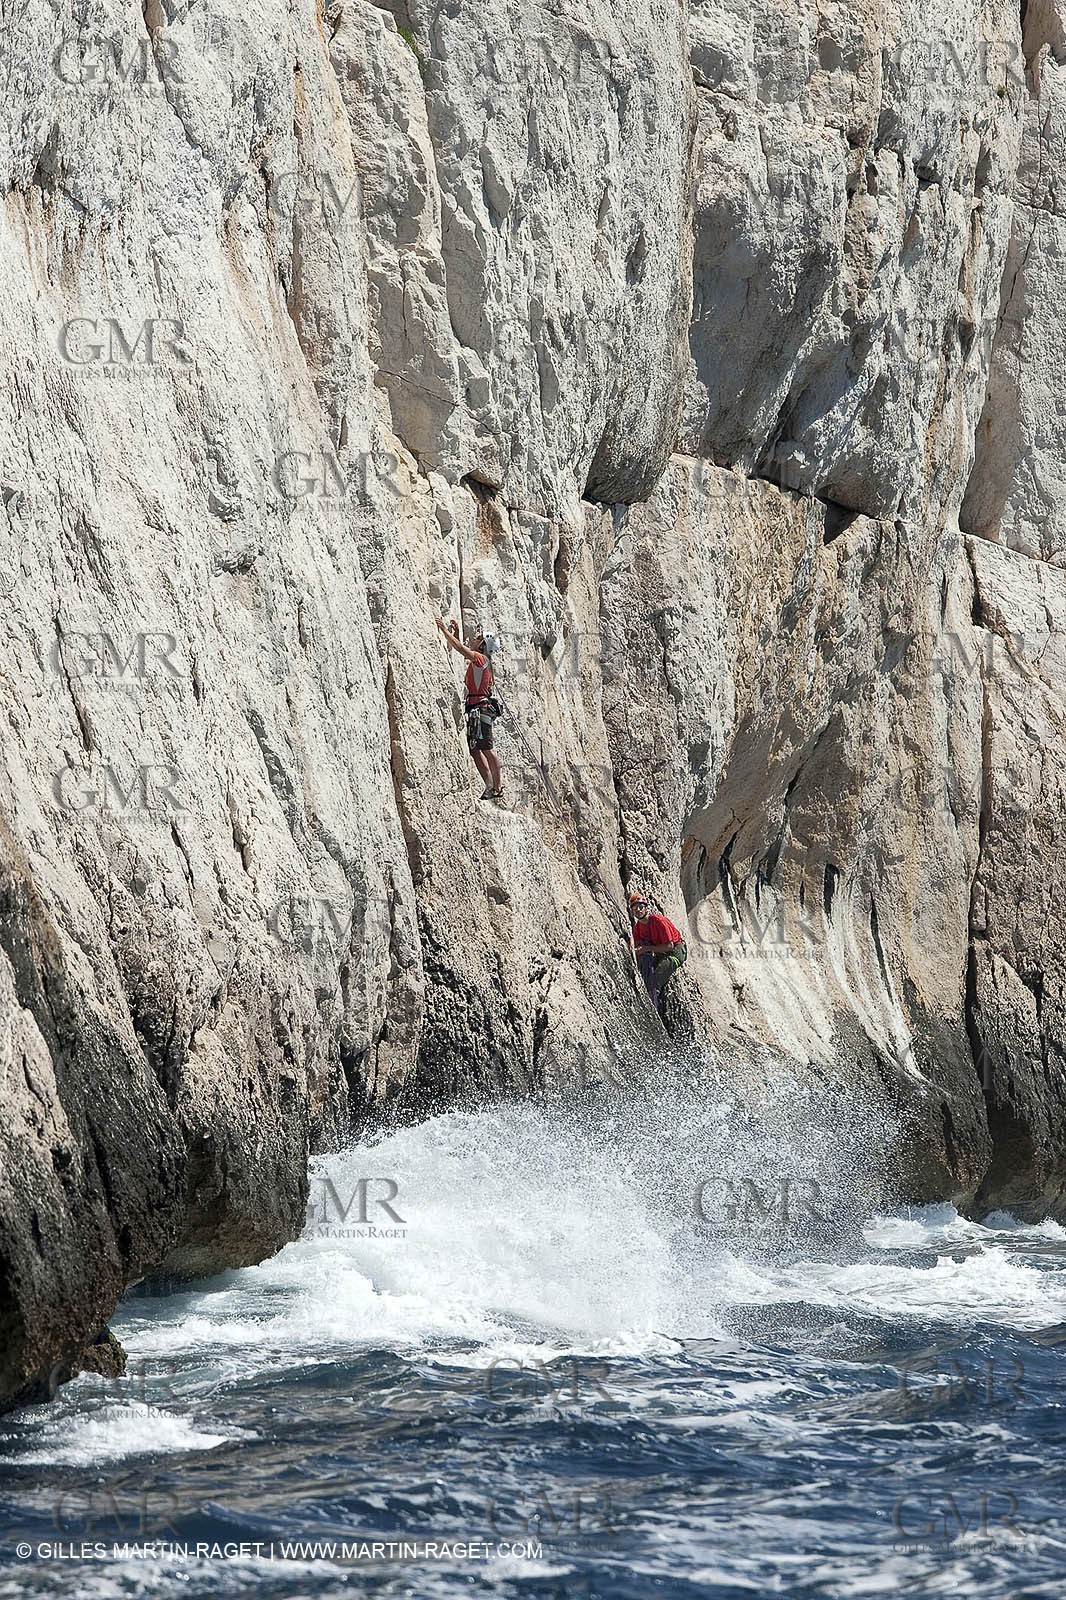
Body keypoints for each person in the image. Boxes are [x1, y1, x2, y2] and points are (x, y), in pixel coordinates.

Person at [435, 616, 504, 800]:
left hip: (480, 708)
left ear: (482, 645)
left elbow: (460, 648)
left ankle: (497, 787)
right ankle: (490, 785)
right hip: (477, 708)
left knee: (486, 749)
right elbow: (462, 649)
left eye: (477, 637)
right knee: (475, 750)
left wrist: (444, 630)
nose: (473, 638)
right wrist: (455, 633)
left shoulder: (481, 659)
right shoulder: (482, 660)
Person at [628, 890, 687, 1017]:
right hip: (660, 952)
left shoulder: (659, 921)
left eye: (640, 907)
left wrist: (646, 949)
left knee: (655, 978)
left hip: (675, 952)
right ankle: (658, 1002)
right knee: (649, 975)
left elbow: (669, 946)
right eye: (635, 909)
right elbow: (636, 945)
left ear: (646, 908)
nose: (638, 910)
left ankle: (653, 1009)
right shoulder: (637, 928)